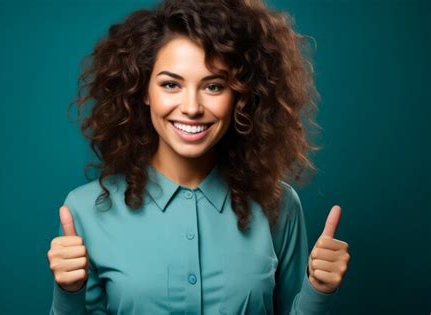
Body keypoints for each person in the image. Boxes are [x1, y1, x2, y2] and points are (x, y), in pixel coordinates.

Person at [47, 0, 351, 314]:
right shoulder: (85, 211)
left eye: (214, 86)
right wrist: (69, 293)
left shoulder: (279, 205)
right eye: (170, 84)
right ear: (144, 92)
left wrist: (319, 291)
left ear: (241, 97)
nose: (192, 107)